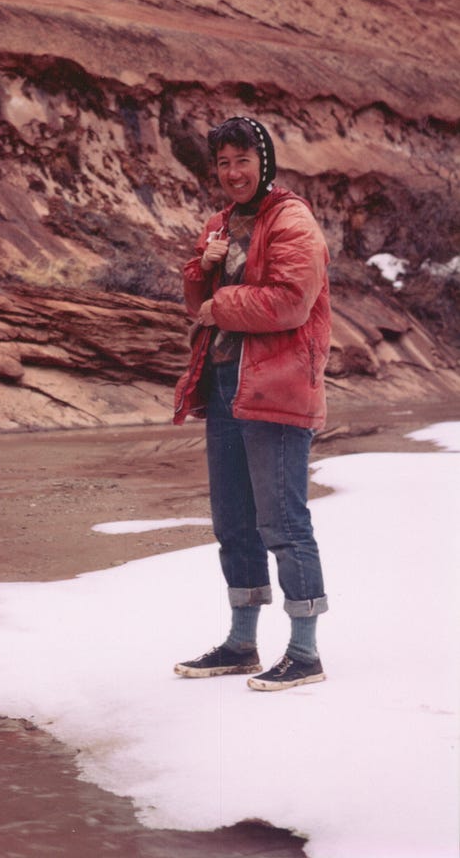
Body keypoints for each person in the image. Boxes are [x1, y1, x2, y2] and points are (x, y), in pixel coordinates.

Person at [173, 116, 330, 691]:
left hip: (277, 389)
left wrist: (221, 302)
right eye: (223, 163)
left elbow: (291, 301)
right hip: (224, 387)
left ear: (264, 162)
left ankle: (305, 652)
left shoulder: (292, 219)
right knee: (234, 523)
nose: (234, 173)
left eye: (243, 160)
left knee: (283, 523)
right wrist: (204, 268)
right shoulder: (220, 223)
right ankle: (241, 644)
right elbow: (198, 302)